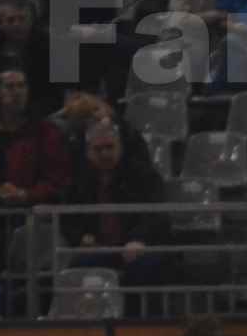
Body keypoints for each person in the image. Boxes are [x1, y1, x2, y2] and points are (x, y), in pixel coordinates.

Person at [0, 65, 71, 269]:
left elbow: (57, 179)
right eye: (10, 86)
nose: (17, 92)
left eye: (21, 86)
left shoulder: (46, 132)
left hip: (33, 217)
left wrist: (25, 194)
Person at [63, 117, 169, 314]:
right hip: (100, 249)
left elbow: (156, 215)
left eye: (109, 147)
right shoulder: (78, 181)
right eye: (98, 149)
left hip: (138, 248)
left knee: (144, 267)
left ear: (120, 147)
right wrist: (80, 238)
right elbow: (68, 219)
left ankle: (138, 326)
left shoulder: (144, 175)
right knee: (79, 266)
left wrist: (139, 239)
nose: (104, 153)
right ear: (88, 152)